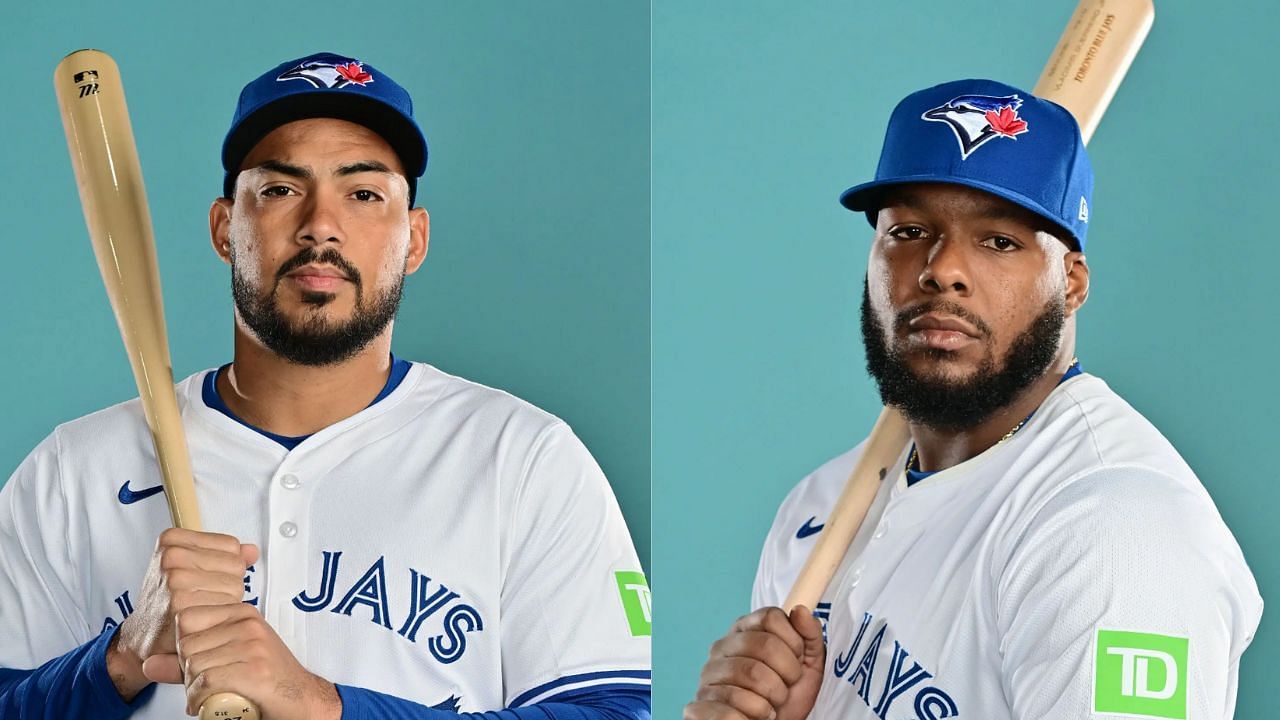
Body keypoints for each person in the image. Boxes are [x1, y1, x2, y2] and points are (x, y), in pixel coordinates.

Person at [0, 52, 651, 719]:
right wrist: (119, 661)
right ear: (226, 228)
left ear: (414, 240)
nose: (321, 224)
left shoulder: (522, 458)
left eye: (364, 193)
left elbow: (612, 711)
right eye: (280, 190)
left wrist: (321, 705)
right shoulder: (73, 469)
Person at [685, 79, 1261, 719]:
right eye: (908, 230)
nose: (942, 269)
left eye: (999, 241)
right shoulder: (819, 504)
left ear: (1071, 283)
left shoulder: (1116, 529)